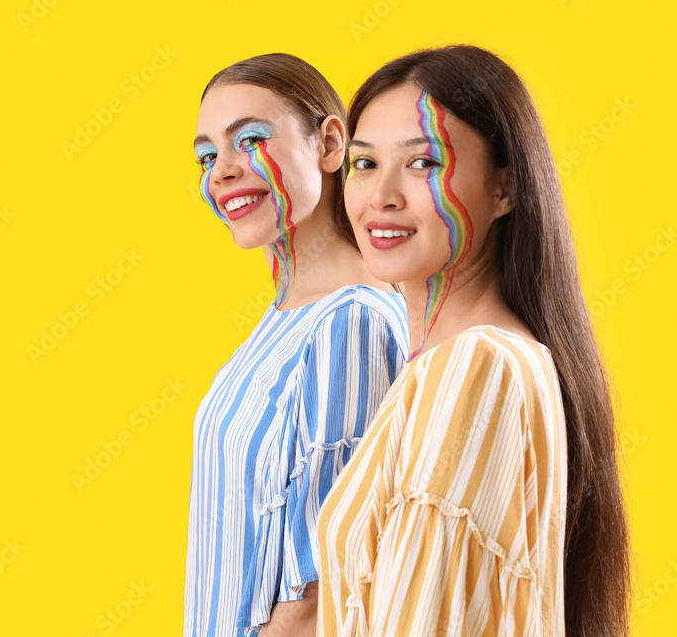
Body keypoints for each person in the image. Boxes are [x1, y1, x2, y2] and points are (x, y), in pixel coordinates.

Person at [316, 45, 630, 636]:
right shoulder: (481, 362)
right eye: (363, 164)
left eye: (424, 164)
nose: (381, 195)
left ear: (505, 190)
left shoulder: (475, 368)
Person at [184, 53, 409, 637]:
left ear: (330, 145)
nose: (221, 172)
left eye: (249, 139)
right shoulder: (283, 319)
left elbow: (322, 592)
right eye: (207, 157)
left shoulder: (352, 322)